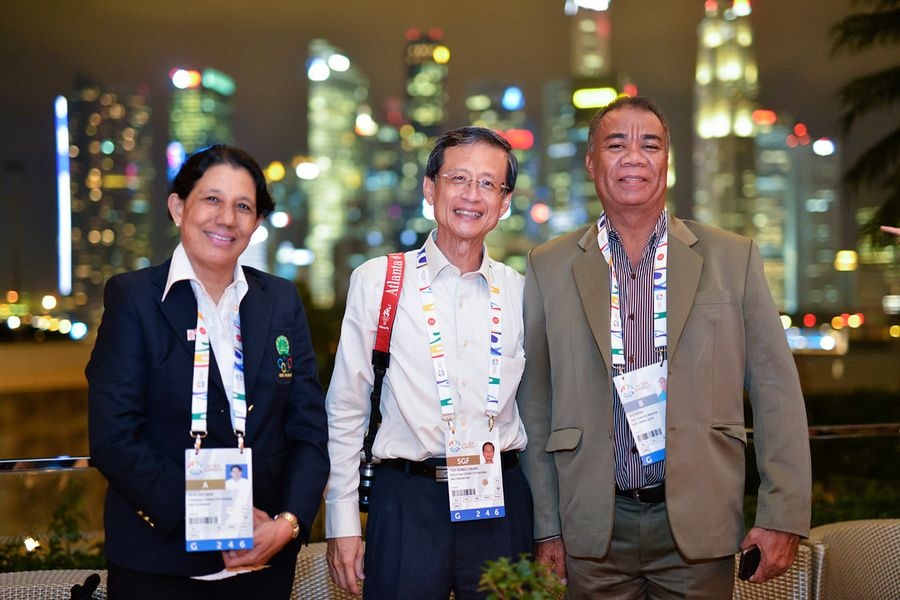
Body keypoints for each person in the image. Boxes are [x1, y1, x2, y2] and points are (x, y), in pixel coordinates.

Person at [517, 96, 811, 598]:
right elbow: (534, 404)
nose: (634, 157)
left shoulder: (731, 257)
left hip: (699, 522)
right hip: (591, 524)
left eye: (650, 145)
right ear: (591, 162)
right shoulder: (549, 264)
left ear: (667, 162)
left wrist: (782, 514)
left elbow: (775, 390)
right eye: (616, 145)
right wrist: (547, 526)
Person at [87, 145, 330, 599]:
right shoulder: (134, 299)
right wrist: (213, 520)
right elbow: (114, 438)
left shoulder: (280, 300)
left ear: (256, 223)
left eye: (243, 206)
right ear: (178, 207)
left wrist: (289, 523)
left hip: (265, 561)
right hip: (157, 565)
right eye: (212, 200)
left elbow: (310, 430)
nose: (227, 218)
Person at [325, 126, 532, 599]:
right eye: (458, 178)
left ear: (504, 203)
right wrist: (341, 520)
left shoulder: (522, 291)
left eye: (488, 184)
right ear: (429, 187)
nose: (471, 195)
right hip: (406, 502)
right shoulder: (379, 281)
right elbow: (346, 409)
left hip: (501, 499)